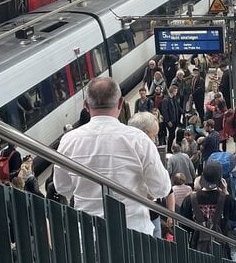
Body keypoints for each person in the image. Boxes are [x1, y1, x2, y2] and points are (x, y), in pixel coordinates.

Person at [54, 77, 171, 235]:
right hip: (134, 233)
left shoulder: (69, 141)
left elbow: (62, 187)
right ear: (121, 103)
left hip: (89, 235)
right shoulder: (138, 139)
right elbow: (162, 188)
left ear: (86, 105)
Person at [180, 160, 236, 252]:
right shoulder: (226, 199)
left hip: (197, 247)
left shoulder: (190, 199)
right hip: (221, 248)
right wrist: (226, 192)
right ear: (221, 180)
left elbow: (184, 225)